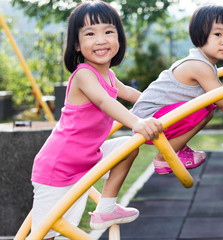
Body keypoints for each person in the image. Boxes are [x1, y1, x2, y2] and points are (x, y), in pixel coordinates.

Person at [30, 1, 163, 239]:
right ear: (77, 45)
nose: (101, 39)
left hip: (88, 157)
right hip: (59, 167)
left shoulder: (109, 75)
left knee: (128, 146)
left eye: (108, 32)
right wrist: (137, 122)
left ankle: (106, 208)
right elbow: (105, 102)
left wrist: (164, 106)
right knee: (45, 235)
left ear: (119, 39)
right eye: (90, 33)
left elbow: (135, 96)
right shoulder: (83, 74)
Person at [132, 5, 223, 175]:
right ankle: (164, 157)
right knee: (204, 108)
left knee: (207, 108)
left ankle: (177, 148)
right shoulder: (198, 66)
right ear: (200, 33)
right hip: (149, 120)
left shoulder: (205, 65)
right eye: (218, 34)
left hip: (159, 117)